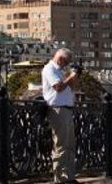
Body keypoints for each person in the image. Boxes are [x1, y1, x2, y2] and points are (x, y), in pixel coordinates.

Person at [42, 49, 80, 184]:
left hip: (66, 110)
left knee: (69, 145)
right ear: (60, 59)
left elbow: (69, 88)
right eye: (66, 62)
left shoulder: (60, 71)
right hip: (57, 110)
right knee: (61, 146)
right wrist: (71, 76)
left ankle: (69, 177)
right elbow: (58, 87)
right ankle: (60, 179)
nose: (67, 65)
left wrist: (73, 78)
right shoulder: (49, 69)